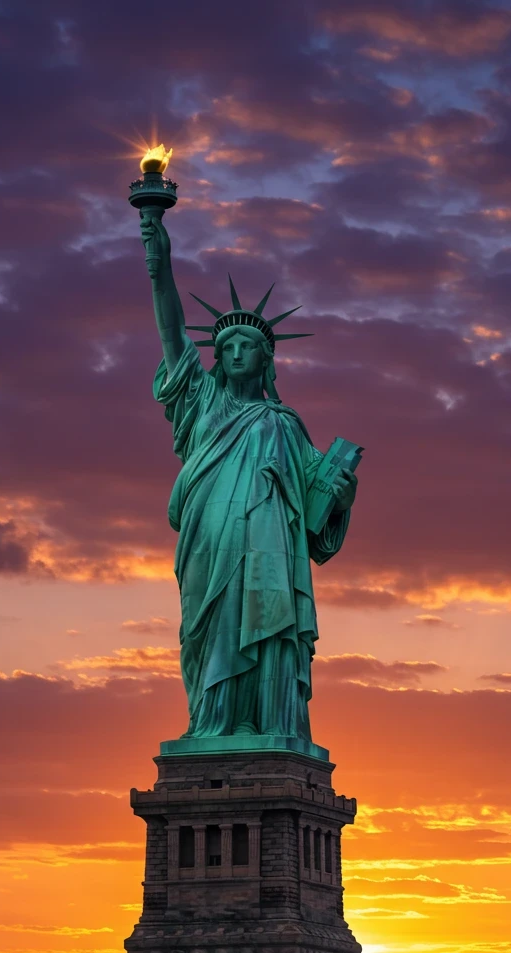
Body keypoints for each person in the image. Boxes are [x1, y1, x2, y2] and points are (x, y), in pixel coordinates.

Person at [140, 213, 358, 745]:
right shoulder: (200, 402)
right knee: (207, 627)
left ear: (267, 358)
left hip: (269, 548)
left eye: (248, 346)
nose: (237, 353)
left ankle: (270, 724)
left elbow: (316, 510)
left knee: (271, 626)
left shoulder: (285, 424)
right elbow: (171, 330)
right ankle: (211, 724)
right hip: (209, 539)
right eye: (228, 347)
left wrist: (342, 496)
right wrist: (157, 255)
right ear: (216, 358)